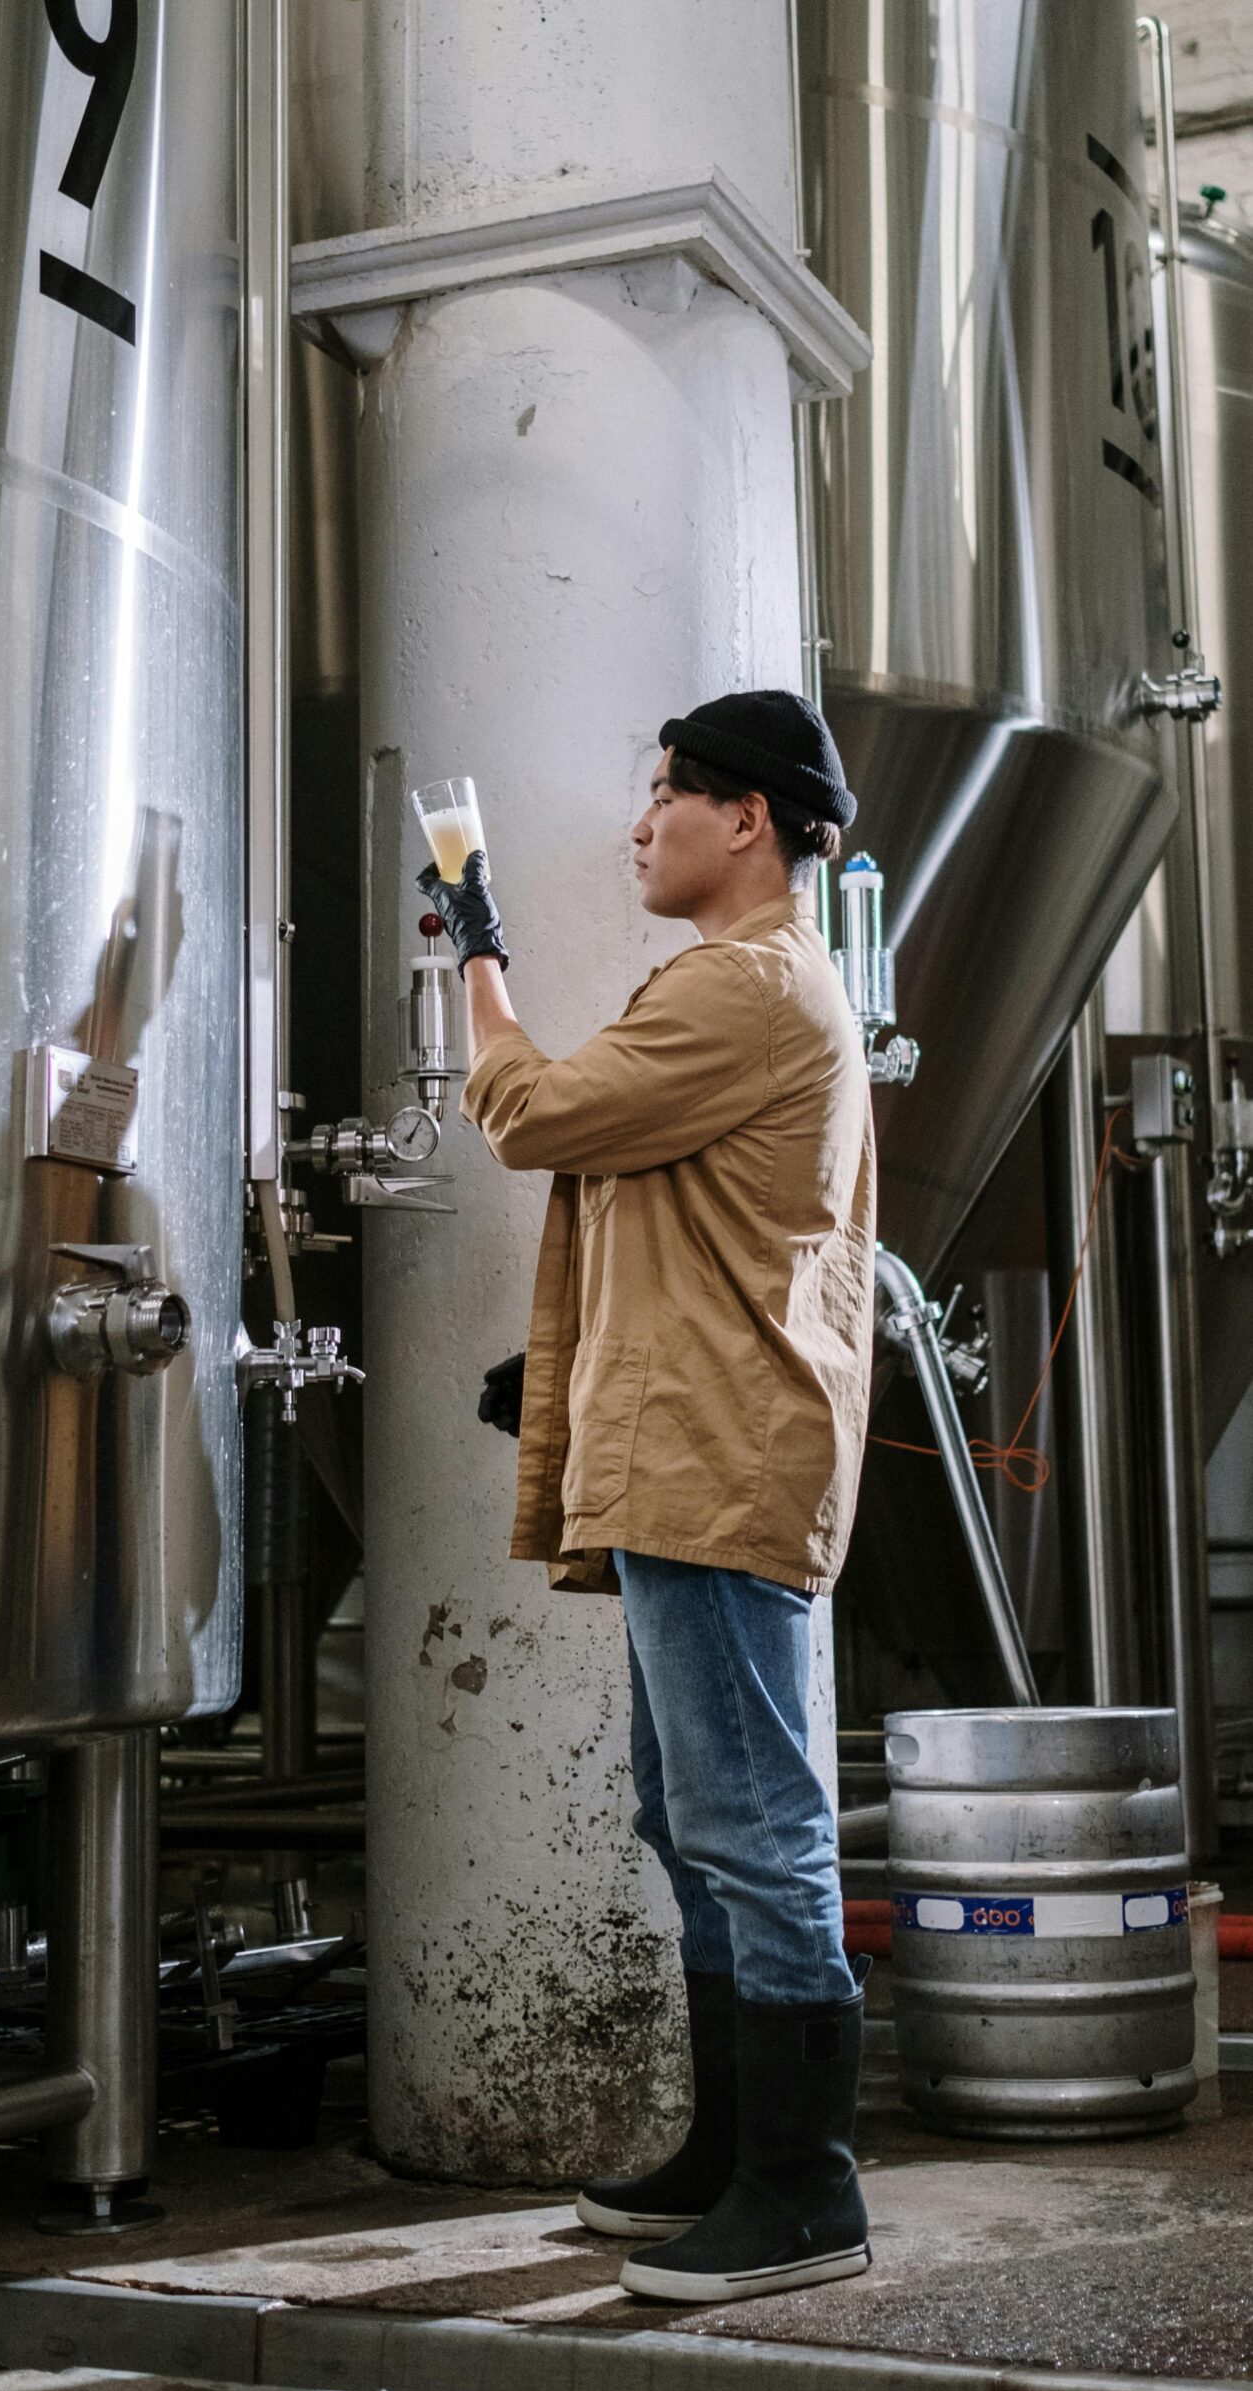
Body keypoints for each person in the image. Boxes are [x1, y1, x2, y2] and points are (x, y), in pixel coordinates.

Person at [419, 689, 876, 2307]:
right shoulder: (729, 987)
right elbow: (664, 1224)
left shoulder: (747, 990)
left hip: (717, 1462)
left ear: (749, 818)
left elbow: (537, 1116)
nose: (642, 820)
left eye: (669, 793)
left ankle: (803, 2189)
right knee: (689, 1820)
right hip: (680, 1446)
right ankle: (723, 2153)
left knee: (758, 1835)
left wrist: (472, 959)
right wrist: (548, 1385)